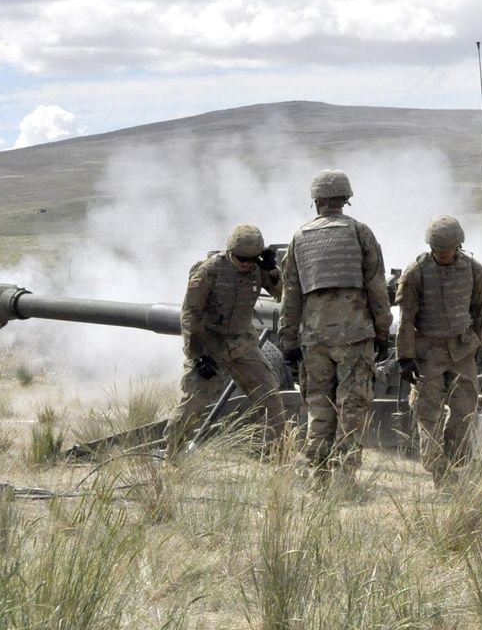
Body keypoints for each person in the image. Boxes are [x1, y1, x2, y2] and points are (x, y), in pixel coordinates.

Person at [279, 169, 392, 485]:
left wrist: (288, 340)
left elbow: (290, 296)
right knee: (352, 407)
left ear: (316, 200)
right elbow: (377, 289)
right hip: (355, 336)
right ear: (346, 199)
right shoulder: (360, 233)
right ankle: (343, 478)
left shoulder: (299, 238)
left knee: (318, 406)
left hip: (314, 338)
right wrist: (382, 332)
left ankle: (318, 475)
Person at [163, 223, 287, 458]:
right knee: (193, 404)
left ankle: (278, 456)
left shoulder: (258, 269)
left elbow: (283, 294)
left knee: (270, 396)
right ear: (230, 252)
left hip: (242, 343)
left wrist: (272, 270)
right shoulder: (208, 271)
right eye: (242, 258)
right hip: (210, 345)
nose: (246, 264)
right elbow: (190, 314)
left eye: (253, 258)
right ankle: (172, 454)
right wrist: (197, 356)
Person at [395, 215, 482, 485]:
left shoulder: (473, 270)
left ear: (459, 246)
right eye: (439, 250)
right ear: (431, 247)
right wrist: (405, 358)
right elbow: (406, 319)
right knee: (428, 415)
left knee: (465, 412)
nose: (444, 254)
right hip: (428, 355)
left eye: (449, 249)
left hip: (462, 352)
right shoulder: (415, 273)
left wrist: (478, 345)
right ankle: (439, 470)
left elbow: (480, 309)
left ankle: (455, 459)